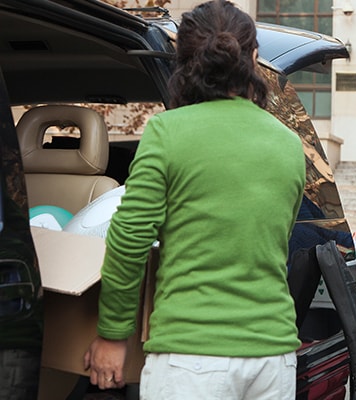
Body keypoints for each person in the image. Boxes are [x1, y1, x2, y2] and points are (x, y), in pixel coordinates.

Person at [83, 1, 305, 398]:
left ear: (183, 62)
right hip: (274, 356)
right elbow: (274, 238)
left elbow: (129, 240)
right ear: (254, 58)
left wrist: (113, 335)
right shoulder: (289, 144)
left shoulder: (168, 132)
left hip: (191, 357)